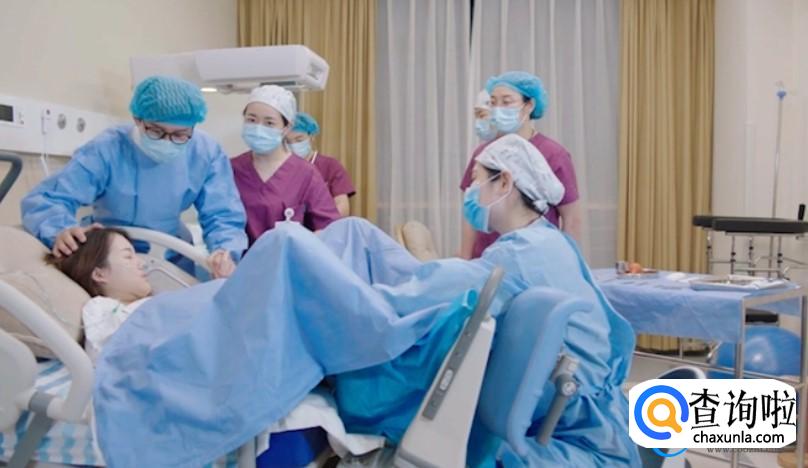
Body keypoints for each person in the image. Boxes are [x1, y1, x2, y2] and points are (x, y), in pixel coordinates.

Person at [75, 136, 637, 467]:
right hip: (549, 386)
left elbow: (412, 298)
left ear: (505, 183)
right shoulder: (546, 243)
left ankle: (235, 316)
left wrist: (339, 292)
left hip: (522, 388)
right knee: (353, 233)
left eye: (477, 181)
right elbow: (435, 284)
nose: (470, 190)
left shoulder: (514, 258)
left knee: (288, 244)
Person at [21, 75, 246, 278]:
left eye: (180, 135)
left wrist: (225, 251)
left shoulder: (205, 152)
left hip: (173, 255)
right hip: (108, 257)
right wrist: (60, 231)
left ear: (193, 128)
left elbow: (223, 213)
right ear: (137, 119)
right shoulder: (107, 148)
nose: (167, 141)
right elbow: (48, 199)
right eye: (156, 131)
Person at [459, 71, 583, 260]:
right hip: (485, 260)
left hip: (535, 259)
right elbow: (471, 215)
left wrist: (566, 262)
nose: (497, 108)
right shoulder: (484, 154)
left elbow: (571, 219)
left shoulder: (554, 154)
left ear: (529, 105)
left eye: (506, 102)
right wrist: (465, 260)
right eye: (493, 102)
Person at [231, 86, 340, 245]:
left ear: (286, 128)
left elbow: (329, 227)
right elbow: (219, 219)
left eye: (269, 123)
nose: (259, 128)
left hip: (289, 258)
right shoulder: (231, 169)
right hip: (240, 259)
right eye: (251, 120)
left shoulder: (305, 174)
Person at [286, 112, 356, 217]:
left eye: (299, 139)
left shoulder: (331, 166)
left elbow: (342, 206)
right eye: (288, 142)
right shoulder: (281, 168)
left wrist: (324, 224)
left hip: (326, 224)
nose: (293, 145)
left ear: (311, 137)